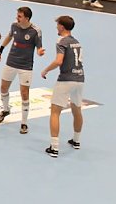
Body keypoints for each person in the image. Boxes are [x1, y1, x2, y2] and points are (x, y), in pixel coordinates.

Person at [0, 7, 45, 134]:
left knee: (24, 93)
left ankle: (24, 123)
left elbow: (39, 47)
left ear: (27, 18)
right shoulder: (14, 26)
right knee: (3, 88)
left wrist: (40, 52)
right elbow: (9, 36)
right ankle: (6, 109)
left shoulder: (35, 31)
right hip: (11, 62)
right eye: (17, 15)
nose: (17, 18)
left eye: (19, 16)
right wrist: (0, 49)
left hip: (26, 66)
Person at [40, 16, 84, 158]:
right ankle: (76, 140)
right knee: (76, 109)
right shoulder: (77, 42)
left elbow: (59, 61)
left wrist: (46, 69)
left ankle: (54, 147)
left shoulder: (61, 41)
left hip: (66, 79)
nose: (56, 27)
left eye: (57, 25)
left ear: (62, 27)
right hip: (80, 79)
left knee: (55, 112)